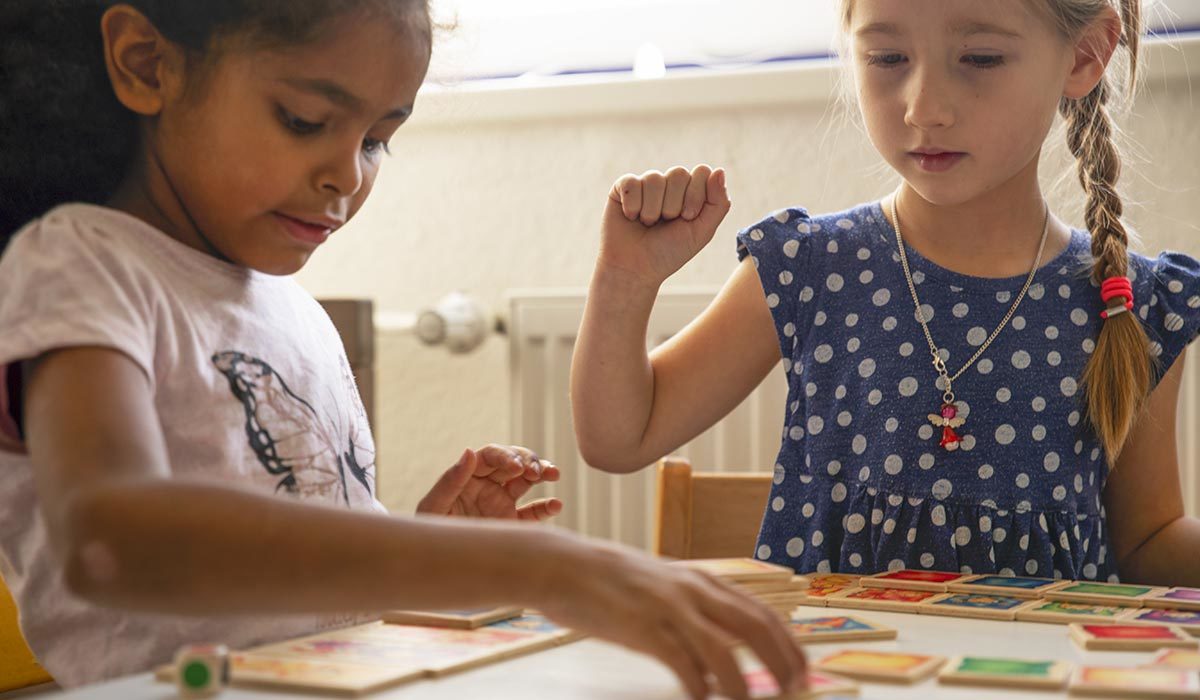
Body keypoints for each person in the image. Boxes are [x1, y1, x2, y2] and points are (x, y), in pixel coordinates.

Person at [0, 3, 806, 697]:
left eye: (380, 139)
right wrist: (536, 568)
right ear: (146, 64)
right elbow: (109, 538)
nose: (346, 175)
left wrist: (429, 537)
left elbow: (293, 581)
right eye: (306, 121)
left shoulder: (294, 311)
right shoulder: (80, 262)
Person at [572, 0, 1200, 588]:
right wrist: (626, 281)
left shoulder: (1131, 306)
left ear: (1085, 56)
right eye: (887, 58)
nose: (924, 107)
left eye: (979, 58)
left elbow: (1147, 542)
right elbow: (620, 438)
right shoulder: (808, 266)